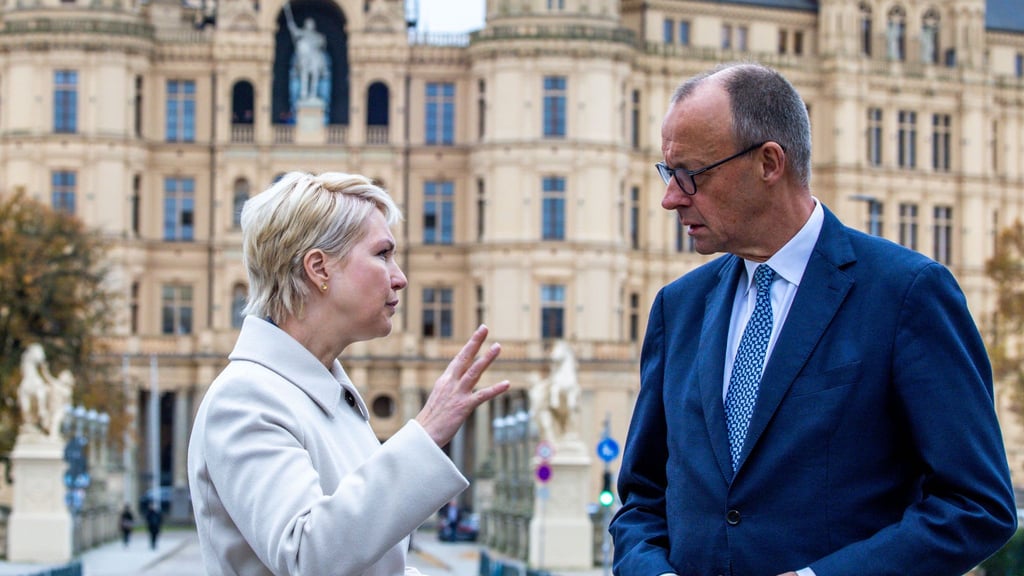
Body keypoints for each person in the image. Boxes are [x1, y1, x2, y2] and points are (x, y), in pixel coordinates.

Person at [609, 62, 1018, 576]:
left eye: (692, 175)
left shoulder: (906, 294)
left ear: (769, 163)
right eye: (669, 174)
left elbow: (977, 506)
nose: (671, 198)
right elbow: (643, 499)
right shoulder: (679, 306)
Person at [187, 171, 510, 575]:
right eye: (382, 254)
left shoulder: (324, 397)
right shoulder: (246, 398)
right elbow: (308, 556)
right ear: (319, 268)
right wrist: (426, 433)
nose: (400, 277)